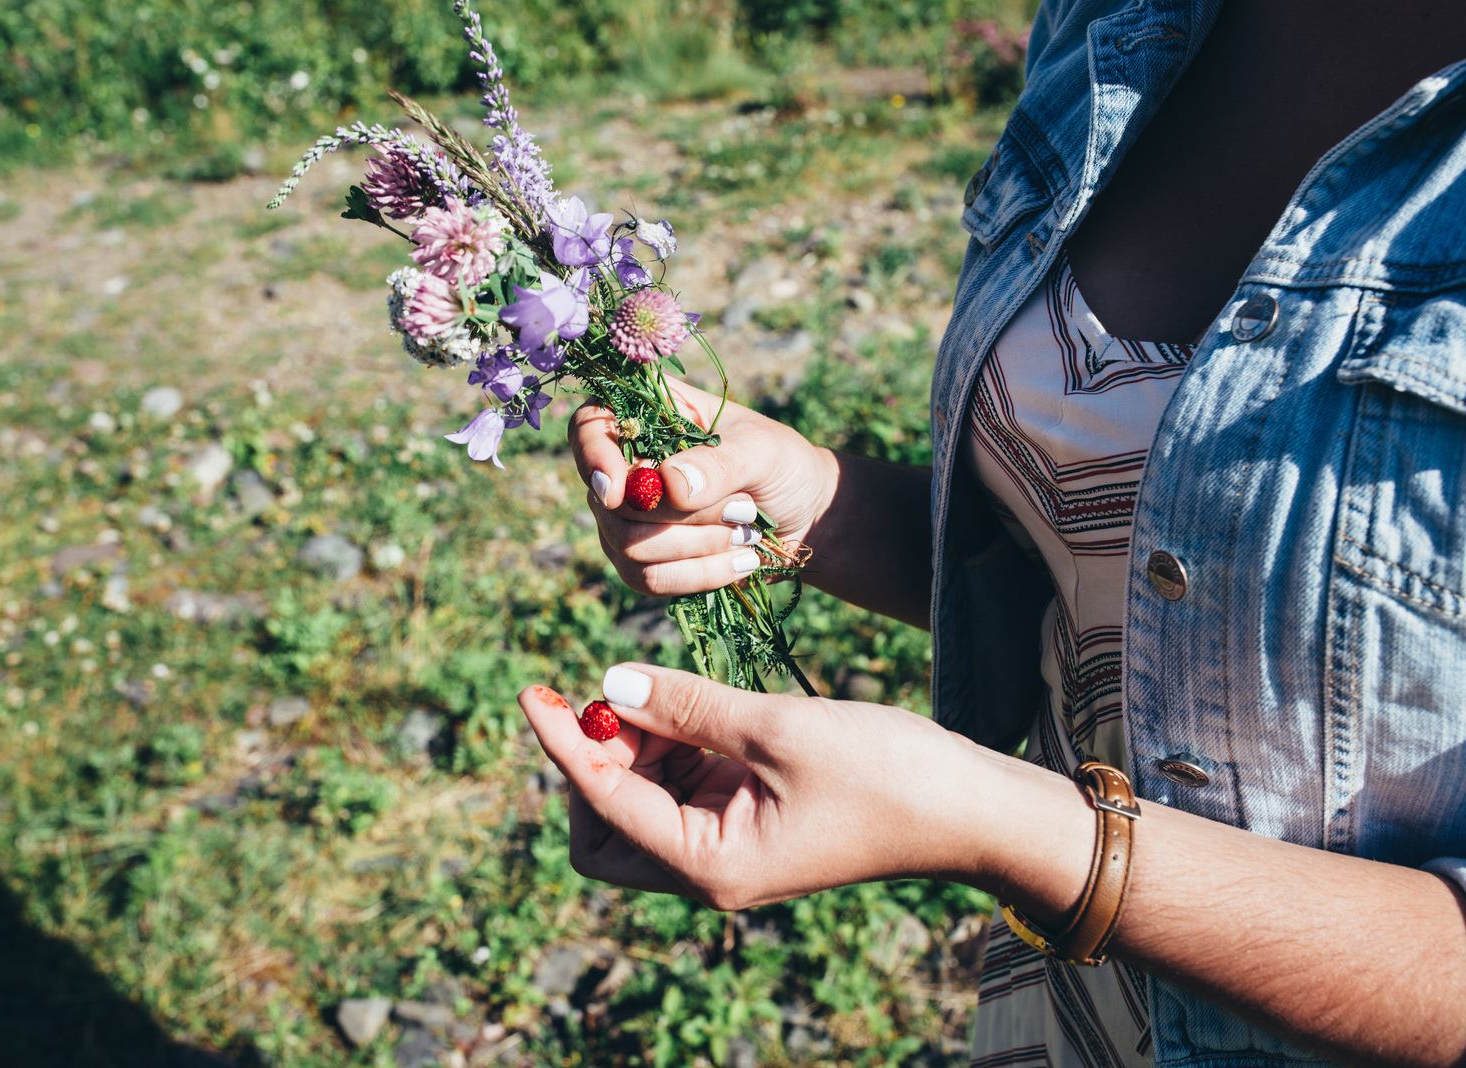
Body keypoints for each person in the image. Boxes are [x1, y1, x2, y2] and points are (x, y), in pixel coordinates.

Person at [519, 1, 1466, 1064]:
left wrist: (991, 824)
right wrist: (808, 503)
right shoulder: (1113, 22)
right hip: (1067, 1022)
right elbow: (1117, 579)